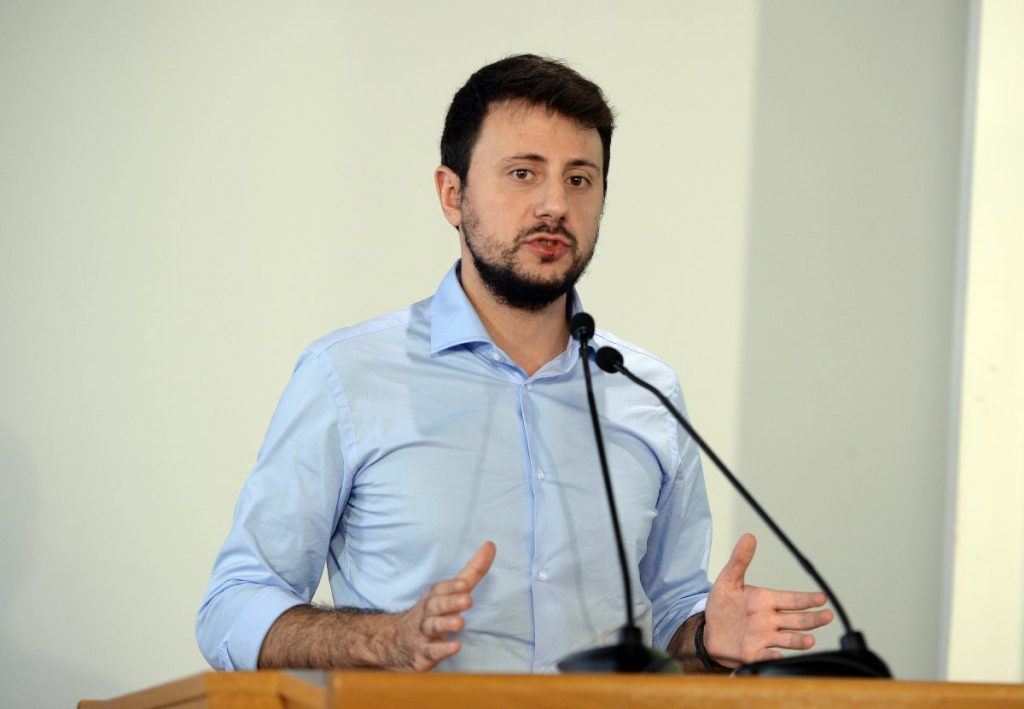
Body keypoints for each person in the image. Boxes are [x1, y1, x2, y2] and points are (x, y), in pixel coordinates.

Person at [196, 54, 832, 674]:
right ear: (452, 194)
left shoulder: (646, 392)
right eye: (523, 173)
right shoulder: (349, 376)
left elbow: (670, 617)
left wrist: (706, 639)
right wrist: (386, 641)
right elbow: (234, 607)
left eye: (579, 179)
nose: (554, 204)